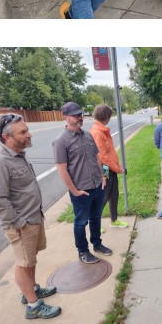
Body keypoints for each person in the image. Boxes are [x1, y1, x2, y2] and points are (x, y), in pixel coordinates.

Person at [0, 113, 60, 319]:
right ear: (6, 136)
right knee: (23, 263)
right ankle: (33, 306)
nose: (29, 134)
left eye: (27, 130)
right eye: (23, 132)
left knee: (31, 260)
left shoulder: (17, 153)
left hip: (33, 217)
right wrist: (19, 223)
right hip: (21, 224)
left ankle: (31, 291)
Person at [53, 102, 109, 263]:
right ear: (65, 117)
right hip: (81, 190)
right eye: (75, 115)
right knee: (80, 222)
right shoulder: (61, 141)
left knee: (96, 218)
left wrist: (104, 177)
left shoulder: (88, 135)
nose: (80, 118)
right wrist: (75, 191)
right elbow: (62, 169)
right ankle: (83, 251)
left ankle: (97, 244)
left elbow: (98, 158)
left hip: (98, 186)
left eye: (80, 115)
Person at [91, 105, 127, 228]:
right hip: (104, 169)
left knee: (114, 194)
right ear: (105, 116)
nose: (110, 119)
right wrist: (117, 168)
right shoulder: (97, 133)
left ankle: (114, 220)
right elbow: (102, 157)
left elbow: (110, 152)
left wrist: (117, 165)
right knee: (104, 195)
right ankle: (96, 224)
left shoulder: (103, 130)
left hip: (110, 167)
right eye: (109, 116)